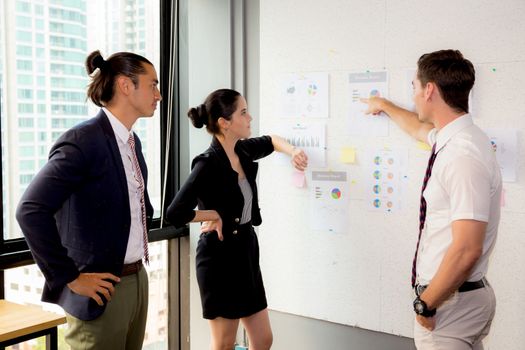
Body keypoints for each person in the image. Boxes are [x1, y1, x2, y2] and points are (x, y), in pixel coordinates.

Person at [16, 50, 161, 349]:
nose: (159, 95)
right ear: (125, 85)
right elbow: (30, 210)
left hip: (137, 280)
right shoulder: (83, 140)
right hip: (100, 292)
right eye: (153, 85)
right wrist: (69, 277)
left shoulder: (133, 142)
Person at [361, 49, 501, 350]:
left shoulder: (462, 155)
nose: (412, 95)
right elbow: (419, 128)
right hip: (458, 300)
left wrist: (426, 304)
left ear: (429, 90)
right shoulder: (456, 138)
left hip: (448, 306)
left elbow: (467, 249)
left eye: (414, 86)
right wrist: (384, 105)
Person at [166, 88, 308, 350]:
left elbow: (272, 140)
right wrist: (212, 214)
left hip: (245, 250)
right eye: (243, 112)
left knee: (263, 339)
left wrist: (293, 151)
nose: (250, 117)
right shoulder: (207, 163)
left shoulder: (242, 150)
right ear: (224, 122)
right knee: (224, 343)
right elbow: (174, 212)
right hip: (218, 257)